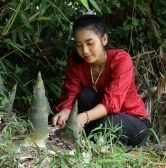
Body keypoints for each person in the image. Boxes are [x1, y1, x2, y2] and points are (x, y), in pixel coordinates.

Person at [52, 11, 151, 148]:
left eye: (90, 43)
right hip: (101, 118)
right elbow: (71, 93)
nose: (85, 51)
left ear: (104, 39)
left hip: (134, 122)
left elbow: (112, 103)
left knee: (105, 124)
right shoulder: (76, 63)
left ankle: (116, 146)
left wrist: (82, 118)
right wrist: (65, 110)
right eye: (79, 45)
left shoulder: (120, 60)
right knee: (84, 95)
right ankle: (95, 140)